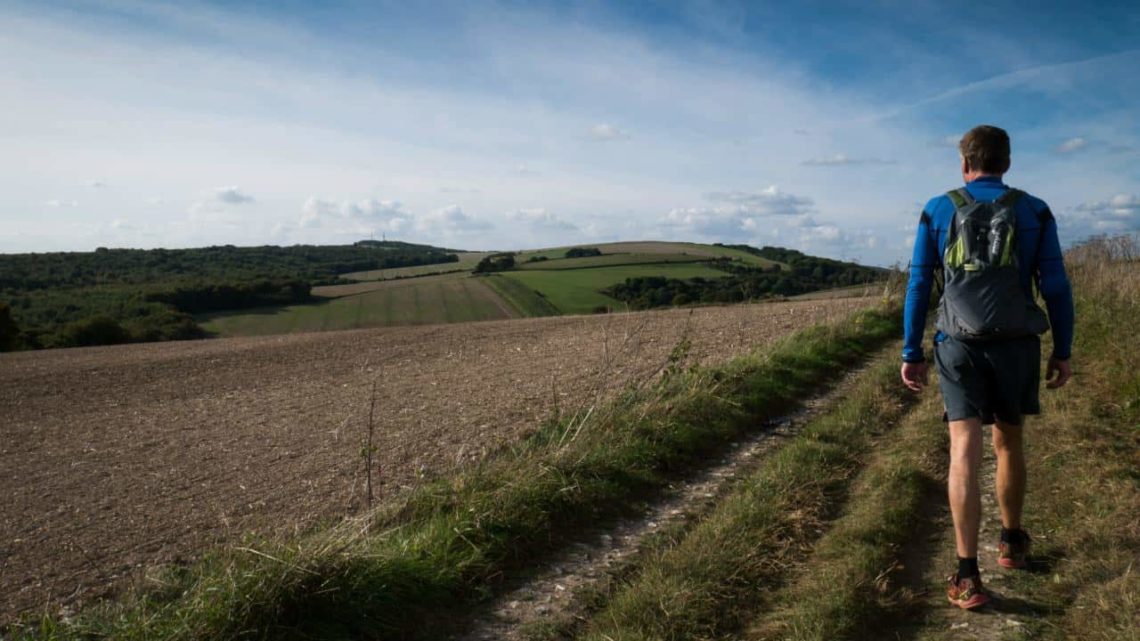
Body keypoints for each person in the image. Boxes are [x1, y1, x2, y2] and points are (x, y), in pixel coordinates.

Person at [900, 125, 1075, 610]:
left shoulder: (937, 209)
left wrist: (911, 351)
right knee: (1009, 440)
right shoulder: (1034, 210)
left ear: (964, 163)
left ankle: (965, 574)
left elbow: (918, 285)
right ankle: (1012, 543)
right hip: (1017, 344)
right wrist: (1063, 348)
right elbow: (1056, 287)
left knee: (964, 448)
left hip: (957, 344)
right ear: (1007, 163)